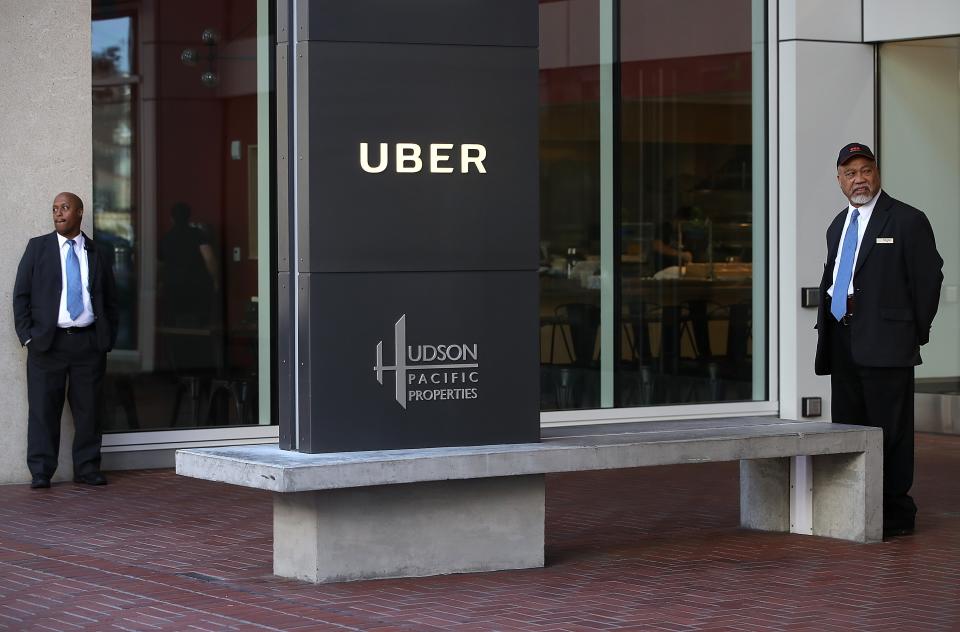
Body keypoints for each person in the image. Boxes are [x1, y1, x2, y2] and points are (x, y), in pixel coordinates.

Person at [814, 143, 943, 538]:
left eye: (865, 170)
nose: (859, 179)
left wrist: (911, 333)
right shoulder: (838, 224)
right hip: (842, 340)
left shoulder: (907, 220)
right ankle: (854, 508)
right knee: (849, 431)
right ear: (839, 179)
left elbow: (928, 281)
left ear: (877, 173)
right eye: (850, 173)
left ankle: (893, 515)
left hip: (887, 344)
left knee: (890, 433)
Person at [13, 192, 118, 488]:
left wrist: (106, 339)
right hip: (48, 344)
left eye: (65, 208)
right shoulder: (38, 249)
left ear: (80, 212)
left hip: (88, 344)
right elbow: (20, 296)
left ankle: (87, 468)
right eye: (55, 209)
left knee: (89, 411)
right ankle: (41, 472)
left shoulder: (98, 252)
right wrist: (27, 337)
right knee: (43, 410)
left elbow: (111, 299)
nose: (58, 213)